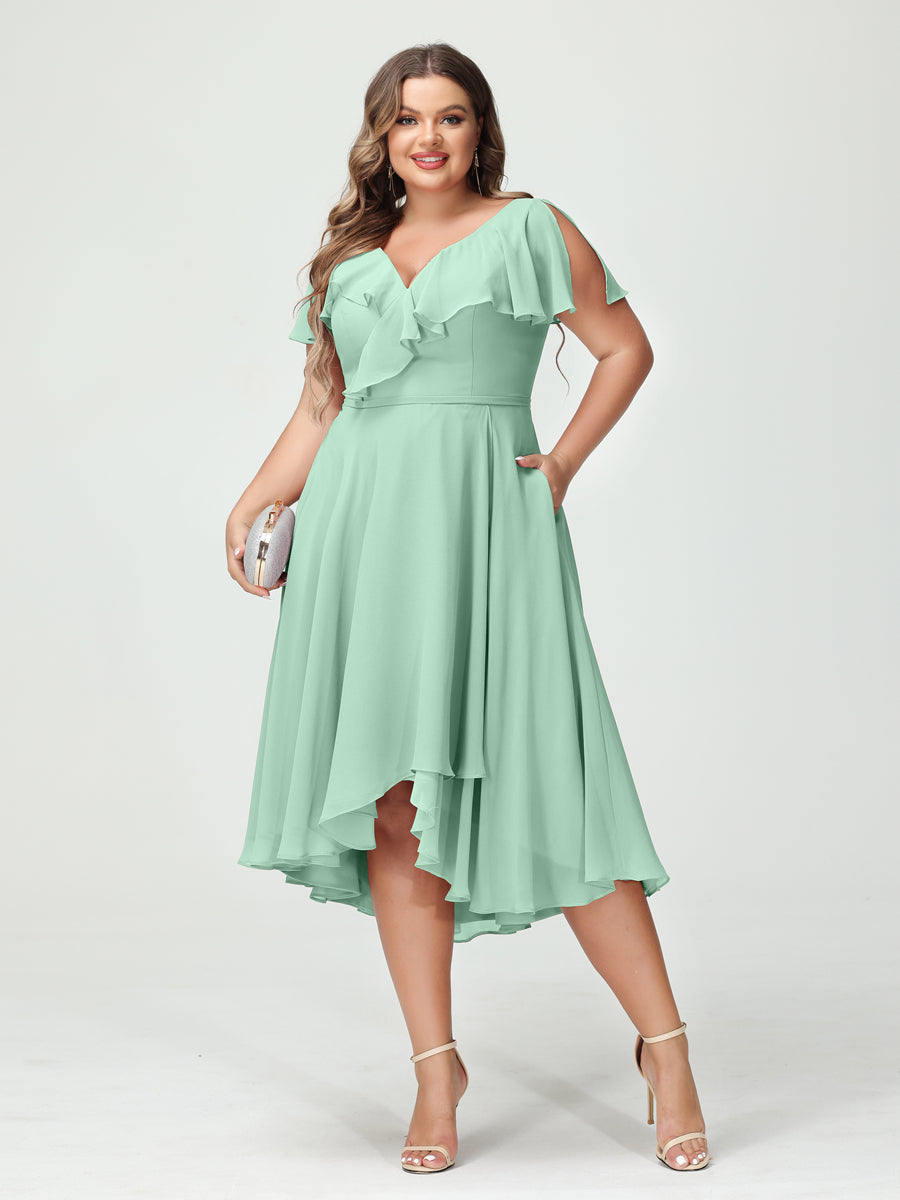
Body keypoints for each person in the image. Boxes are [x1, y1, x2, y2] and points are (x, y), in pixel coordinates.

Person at [225, 42, 711, 1176]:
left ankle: (668, 1049)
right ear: (382, 138)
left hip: (488, 530)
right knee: (396, 804)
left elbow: (624, 348)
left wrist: (562, 466)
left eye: (449, 116)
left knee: (560, 786)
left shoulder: (532, 228)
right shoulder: (351, 261)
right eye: (407, 120)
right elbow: (322, 407)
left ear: (479, 130)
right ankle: (436, 1072)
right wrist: (254, 497)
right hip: (361, 537)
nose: (428, 137)